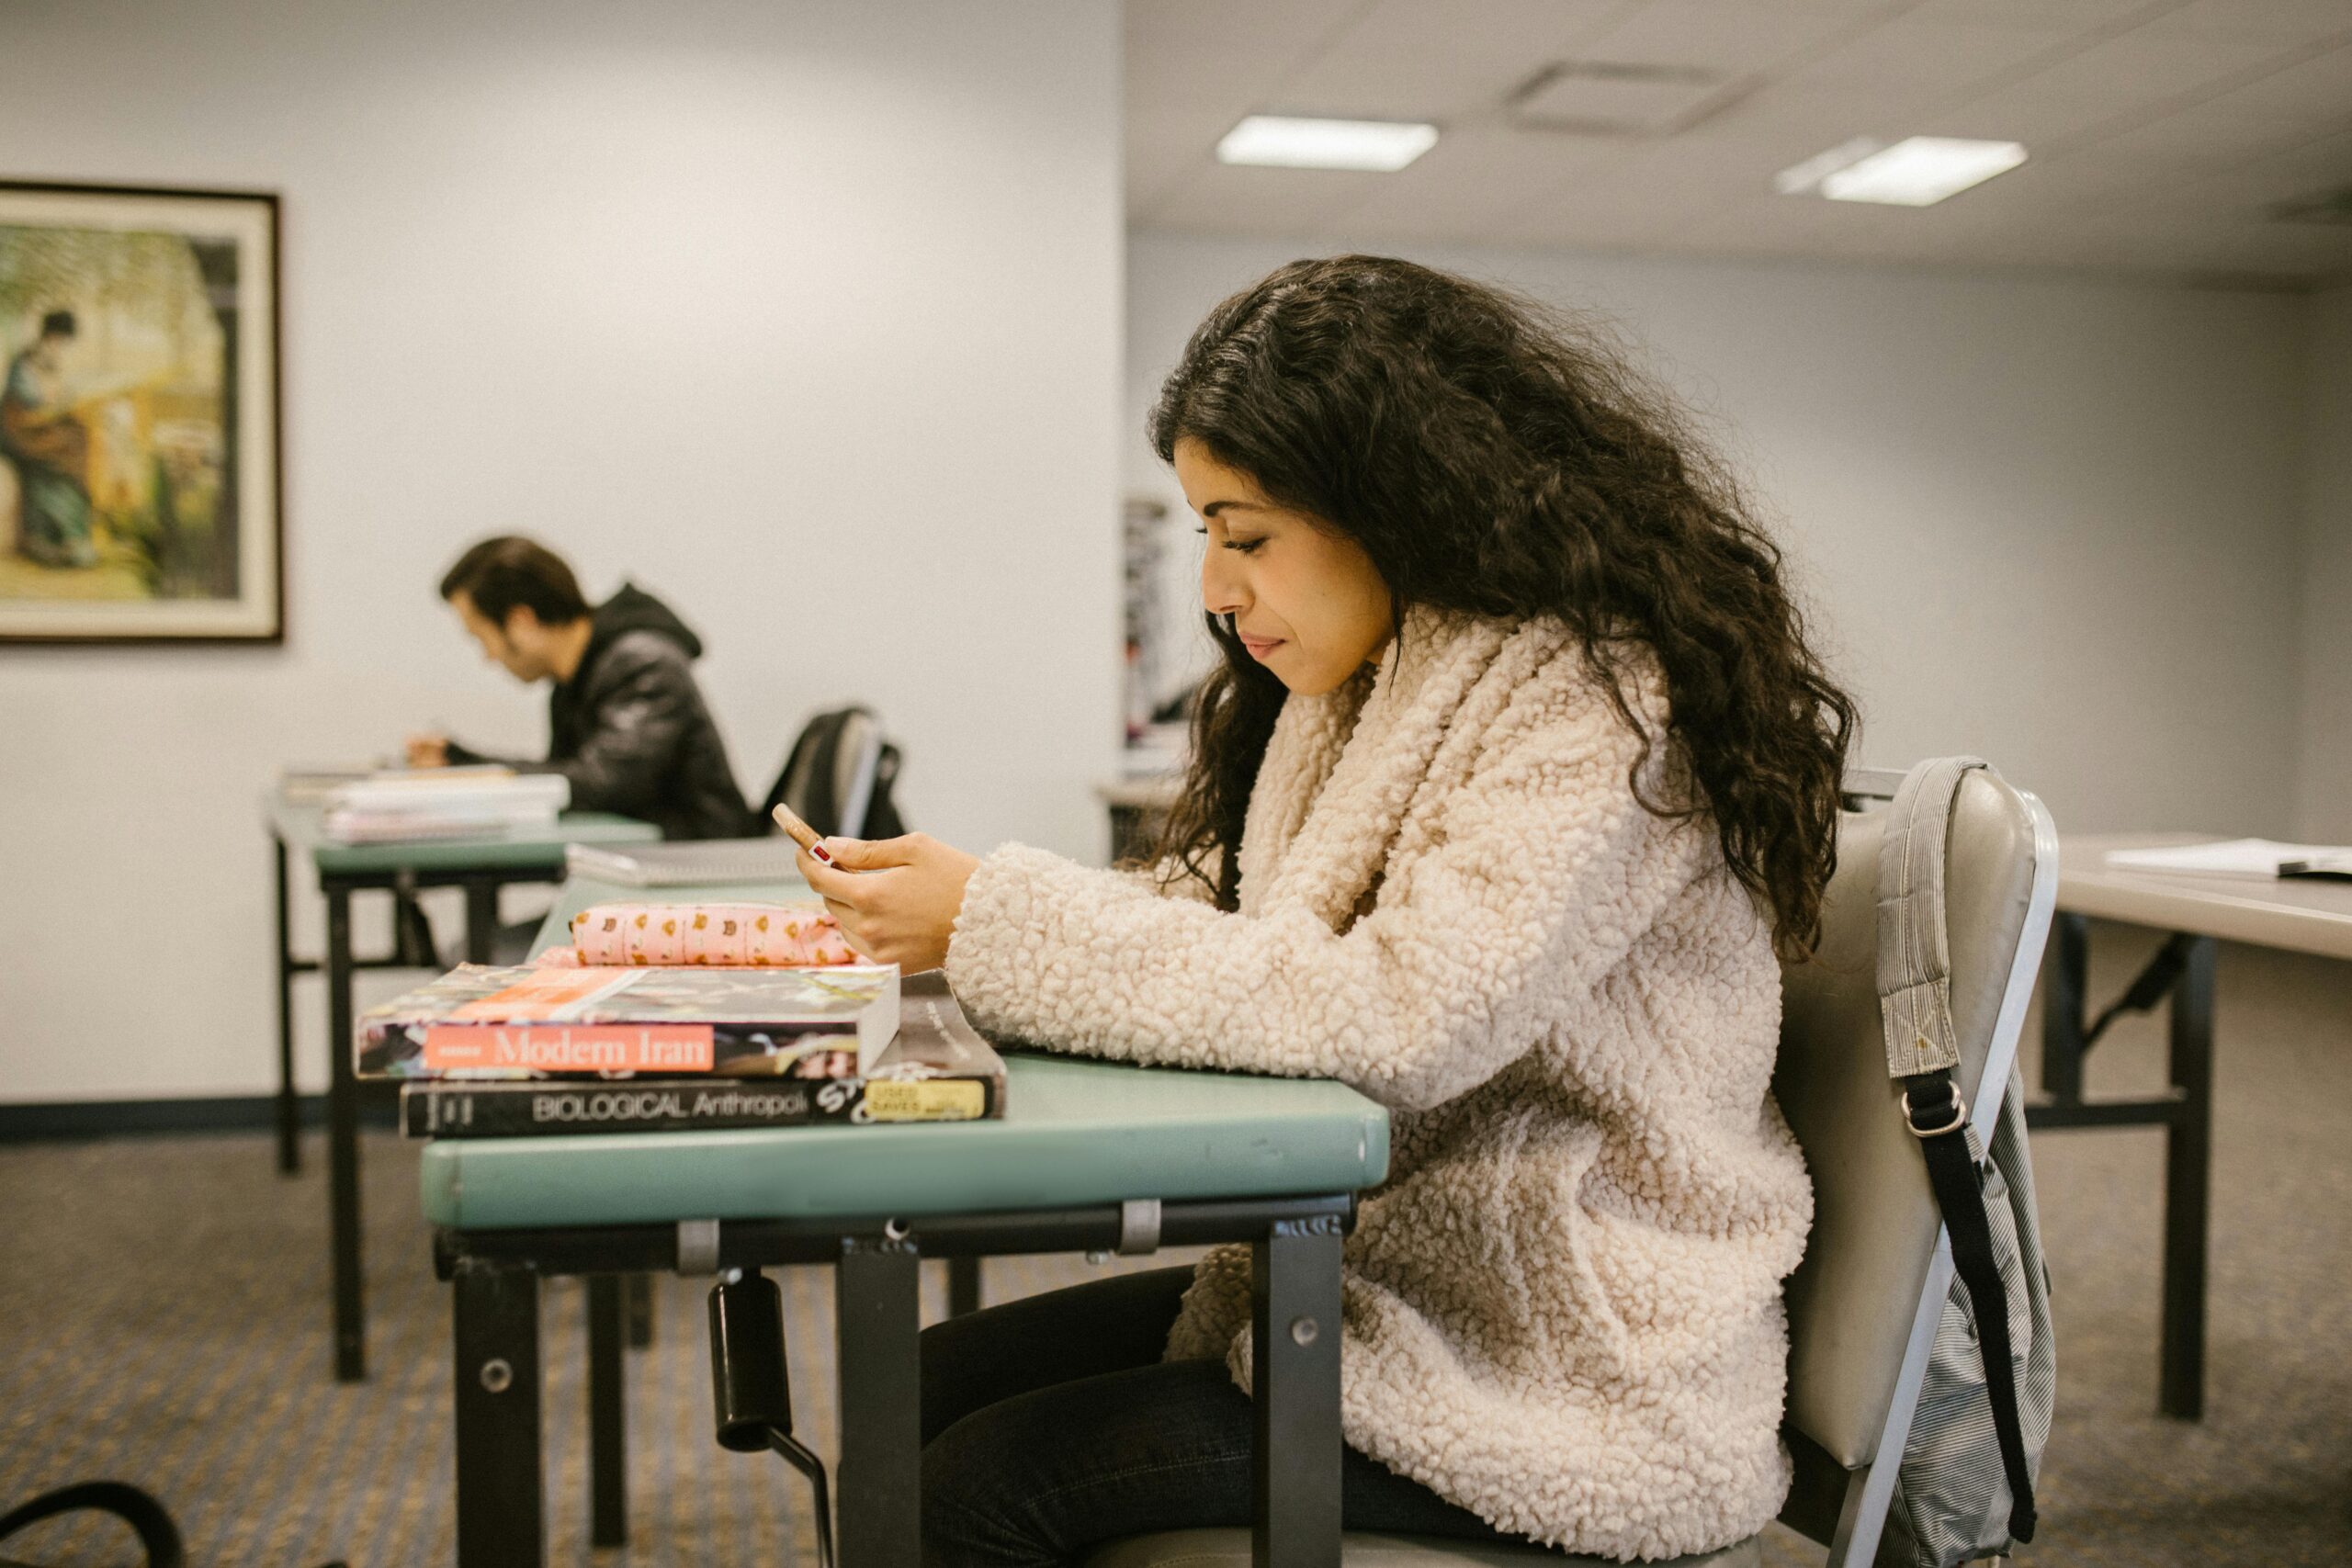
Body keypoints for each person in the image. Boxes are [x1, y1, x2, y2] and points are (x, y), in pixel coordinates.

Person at [797, 256, 1860, 1564]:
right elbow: (1252, 918)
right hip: (1403, 1282)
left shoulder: (1599, 689)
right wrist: (958, 919)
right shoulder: (1367, 680)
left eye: (1246, 536)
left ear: (1401, 503)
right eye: (1206, 536)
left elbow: (1409, 1009)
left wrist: (997, 922)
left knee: (975, 1485)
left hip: (1569, 1355)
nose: (1214, 590)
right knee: (923, 1384)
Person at [410, 536, 749, 840]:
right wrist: (462, 762)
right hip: (644, 868)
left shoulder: (643, 663)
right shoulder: (575, 679)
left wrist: (468, 766)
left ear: (520, 621)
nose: (488, 657)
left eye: (482, 638)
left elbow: (601, 784)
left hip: (701, 872)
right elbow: (573, 780)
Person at [1, 310, 96, 568]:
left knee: (78, 439)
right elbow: (29, 402)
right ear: (49, 336)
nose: (61, 348)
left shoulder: (49, 361)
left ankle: (72, 537)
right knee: (59, 453)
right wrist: (53, 400)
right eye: (59, 341)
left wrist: (63, 399)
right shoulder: (25, 363)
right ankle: (45, 539)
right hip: (18, 433)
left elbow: (56, 397)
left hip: (39, 428)